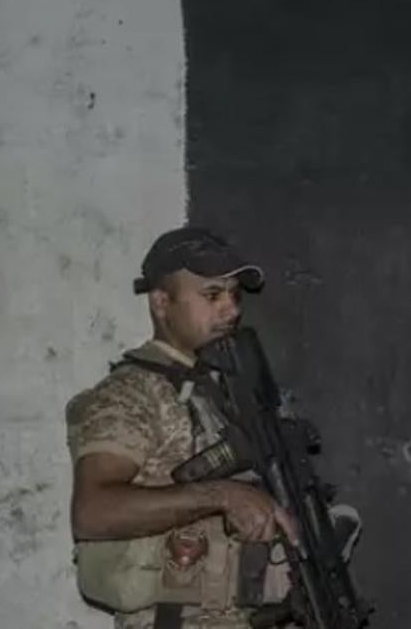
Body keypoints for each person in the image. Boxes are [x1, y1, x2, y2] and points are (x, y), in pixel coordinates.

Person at [66, 227, 301, 628]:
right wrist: (223, 495)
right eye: (212, 295)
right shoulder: (130, 393)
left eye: (234, 295)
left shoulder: (222, 391)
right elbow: (92, 511)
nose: (231, 310)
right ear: (161, 302)